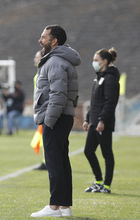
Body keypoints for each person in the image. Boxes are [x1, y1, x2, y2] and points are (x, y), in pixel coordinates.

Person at [30, 25, 80, 218]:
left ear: (54, 41)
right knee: (61, 162)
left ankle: (54, 207)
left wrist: (49, 120)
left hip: (55, 118)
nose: (39, 40)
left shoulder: (55, 62)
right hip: (62, 117)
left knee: (54, 163)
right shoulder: (59, 60)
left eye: (43, 37)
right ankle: (64, 207)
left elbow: (58, 94)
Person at [83, 47, 120, 194]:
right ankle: (98, 181)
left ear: (104, 61)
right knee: (88, 151)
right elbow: (94, 102)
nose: (94, 63)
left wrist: (102, 120)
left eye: (96, 60)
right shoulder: (98, 77)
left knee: (106, 153)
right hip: (94, 122)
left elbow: (110, 102)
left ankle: (107, 185)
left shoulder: (111, 79)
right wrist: (87, 118)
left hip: (102, 123)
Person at [31, 50, 47, 170]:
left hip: (43, 110)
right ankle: (45, 160)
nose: (34, 59)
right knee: (43, 137)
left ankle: (46, 162)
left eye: (36, 57)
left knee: (45, 137)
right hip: (39, 109)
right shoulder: (38, 72)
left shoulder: (43, 72)